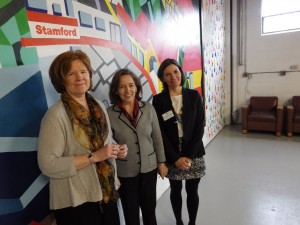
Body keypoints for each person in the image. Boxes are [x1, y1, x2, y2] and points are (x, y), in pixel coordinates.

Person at [37, 50, 128, 225]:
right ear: (61, 80)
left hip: (107, 192)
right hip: (77, 202)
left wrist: (117, 148)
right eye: (71, 73)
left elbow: (106, 142)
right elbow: (47, 164)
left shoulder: (98, 106)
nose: (80, 77)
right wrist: (95, 157)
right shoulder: (55, 116)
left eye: (84, 72)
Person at [106, 68, 168, 225]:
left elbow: (157, 137)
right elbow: (108, 144)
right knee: (130, 213)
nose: (128, 90)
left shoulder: (148, 108)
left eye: (131, 85)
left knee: (149, 210)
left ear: (137, 87)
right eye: (122, 86)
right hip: (125, 172)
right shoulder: (109, 114)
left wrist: (161, 162)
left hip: (149, 168)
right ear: (116, 90)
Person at [152, 58, 206, 225]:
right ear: (163, 78)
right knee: (175, 189)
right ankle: (178, 221)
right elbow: (160, 132)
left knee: (192, 190)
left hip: (194, 151)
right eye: (167, 74)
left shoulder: (194, 96)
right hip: (171, 152)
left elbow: (199, 127)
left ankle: (192, 222)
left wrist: (188, 156)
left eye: (175, 72)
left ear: (181, 72)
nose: (173, 77)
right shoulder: (158, 100)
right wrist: (175, 157)